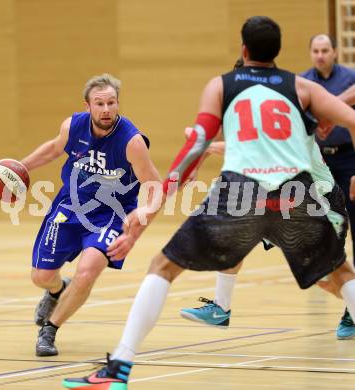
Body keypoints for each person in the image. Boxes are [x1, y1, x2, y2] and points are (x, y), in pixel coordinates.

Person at [62, 16, 355, 389]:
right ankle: (216, 309)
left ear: (243, 50)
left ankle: (119, 367)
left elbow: (195, 146)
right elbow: (351, 118)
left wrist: (152, 206)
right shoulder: (301, 87)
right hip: (294, 192)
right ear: (278, 52)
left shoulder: (222, 86)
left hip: (241, 192)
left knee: (162, 267)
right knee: (342, 274)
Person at [20, 73, 161, 356]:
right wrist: (19, 167)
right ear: (88, 106)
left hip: (109, 214)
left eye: (111, 103)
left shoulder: (131, 141)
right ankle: (57, 290)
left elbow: (155, 184)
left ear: (118, 104)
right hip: (69, 206)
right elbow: (51, 150)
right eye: (100, 104)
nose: (106, 109)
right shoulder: (73, 126)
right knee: (41, 276)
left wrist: (145, 209)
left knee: (87, 271)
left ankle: (50, 329)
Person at [300, 34, 355, 339]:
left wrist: (329, 110)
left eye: (325, 50)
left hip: (349, 161)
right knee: (328, 236)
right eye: (315, 50)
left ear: (335, 52)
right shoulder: (302, 83)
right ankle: (348, 301)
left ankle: (350, 311)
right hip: (319, 165)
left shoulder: (349, 78)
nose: (320, 55)